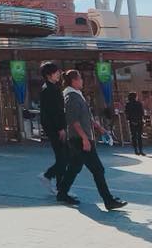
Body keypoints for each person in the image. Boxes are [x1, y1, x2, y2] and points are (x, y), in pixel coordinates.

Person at [55, 69, 128, 210]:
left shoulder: (77, 95)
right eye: (80, 78)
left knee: (74, 167)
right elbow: (73, 121)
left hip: (80, 138)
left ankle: (62, 193)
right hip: (79, 139)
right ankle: (108, 200)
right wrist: (85, 139)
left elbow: (86, 117)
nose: (82, 81)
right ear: (74, 81)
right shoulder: (71, 97)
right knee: (98, 169)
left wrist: (100, 128)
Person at [38, 62, 66, 194]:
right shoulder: (49, 90)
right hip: (55, 128)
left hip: (54, 127)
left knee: (62, 157)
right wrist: (60, 128)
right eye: (56, 72)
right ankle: (49, 176)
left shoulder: (52, 87)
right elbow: (55, 111)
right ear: (49, 75)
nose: (58, 74)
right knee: (63, 157)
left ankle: (60, 186)